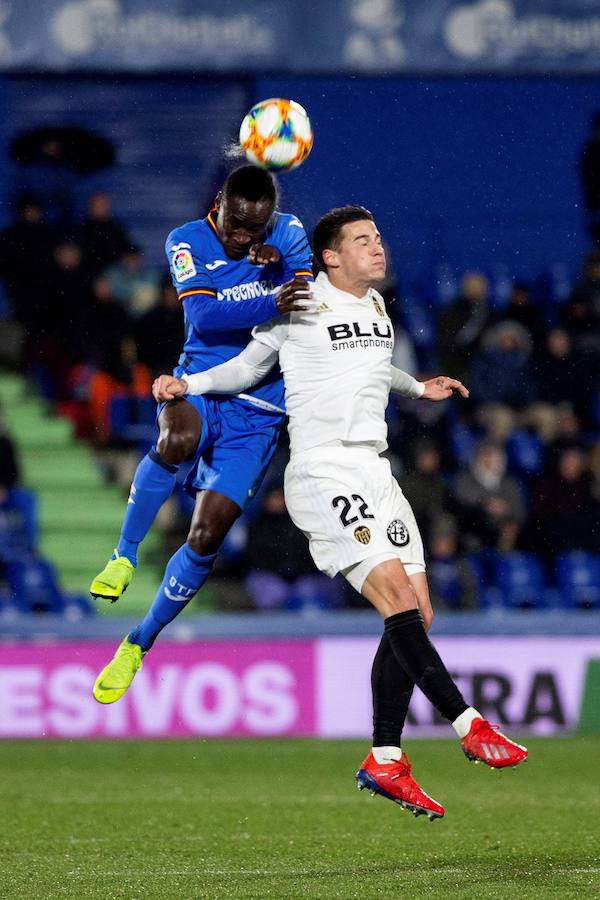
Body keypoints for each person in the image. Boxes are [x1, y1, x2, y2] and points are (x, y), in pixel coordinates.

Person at [152, 206, 528, 819]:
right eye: (362, 241)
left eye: (378, 238)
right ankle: (468, 725)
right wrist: (186, 386)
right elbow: (250, 365)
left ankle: (385, 759)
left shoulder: (377, 308)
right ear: (330, 256)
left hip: (376, 471)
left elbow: (375, 367)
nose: (378, 249)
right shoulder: (297, 301)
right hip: (324, 471)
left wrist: (418, 388)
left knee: (418, 612)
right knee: (397, 602)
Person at [90, 166, 313, 677]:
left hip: (259, 411)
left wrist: (280, 266)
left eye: (254, 231)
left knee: (208, 534)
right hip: (201, 382)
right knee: (177, 437)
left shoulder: (289, 229)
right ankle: (124, 555)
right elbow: (207, 318)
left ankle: (139, 642)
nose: (242, 238)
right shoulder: (185, 240)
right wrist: (270, 295)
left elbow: (307, 295)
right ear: (219, 203)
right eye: (235, 225)